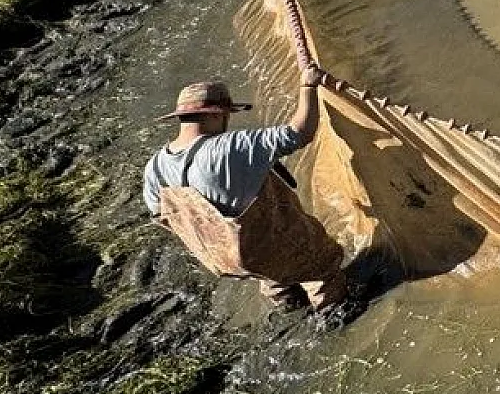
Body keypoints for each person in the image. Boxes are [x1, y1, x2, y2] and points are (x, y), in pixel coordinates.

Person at [142, 67, 350, 317]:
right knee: (323, 266)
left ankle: (287, 307)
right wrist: (308, 87)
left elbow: (160, 215)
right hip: (272, 244)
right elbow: (300, 132)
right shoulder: (230, 147)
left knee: (272, 272)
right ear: (216, 115)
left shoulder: (154, 168)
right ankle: (334, 318)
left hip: (224, 259)